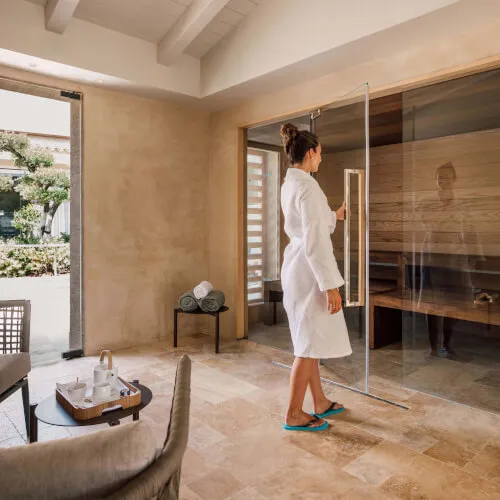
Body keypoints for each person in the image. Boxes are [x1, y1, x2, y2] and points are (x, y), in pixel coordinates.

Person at [280, 123, 352, 432]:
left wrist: (333, 216)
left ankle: (319, 401)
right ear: (310, 153)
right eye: (320, 154)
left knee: (309, 341)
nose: (321, 160)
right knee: (306, 346)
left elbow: (311, 225)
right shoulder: (307, 186)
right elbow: (314, 240)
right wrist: (330, 285)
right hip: (309, 273)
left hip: (298, 267)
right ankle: (293, 414)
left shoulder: (293, 183)